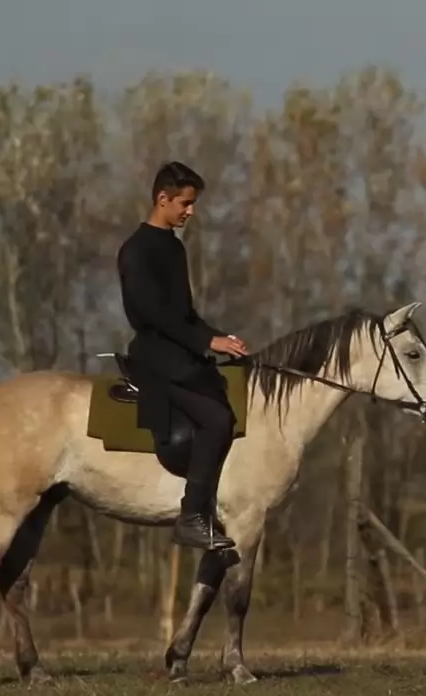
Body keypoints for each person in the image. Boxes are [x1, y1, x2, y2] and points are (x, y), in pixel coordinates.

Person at [117, 161, 248, 551]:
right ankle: (192, 515)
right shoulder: (136, 250)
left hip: (180, 351)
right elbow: (154, 315)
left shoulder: (173, 247)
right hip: (156, 356)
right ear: (162, 199)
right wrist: (207, 343)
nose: (191, 212)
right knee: (217, 419)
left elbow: (184, 314)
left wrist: (219, 337)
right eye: (186, 204)